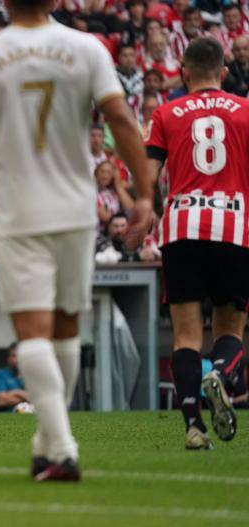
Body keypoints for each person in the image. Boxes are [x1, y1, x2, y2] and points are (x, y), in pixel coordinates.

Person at [0, 0, 153, 481]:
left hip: (21, 209)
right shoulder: (86, 47)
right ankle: (47, 445)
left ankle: (62, 447)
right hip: (76, 208)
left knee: (33, 331)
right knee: (65, 328)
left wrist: (0, 166)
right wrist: (145, 194)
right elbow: (122, 122)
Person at [145, 37, 249, 450]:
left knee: (185, 337)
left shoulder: (165, 113)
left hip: (181, 226)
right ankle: (220, 374)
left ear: (184, 72)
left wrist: (155, 211)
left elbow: (149, 179)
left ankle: (193, 426)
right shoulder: (245, 111)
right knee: (230, 328)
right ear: (223, 73)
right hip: (233, 226)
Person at [0, 343, 30, 411]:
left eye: (19, 356)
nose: (16, 360)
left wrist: (16, 392)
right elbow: (1, 401)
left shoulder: (31, 375)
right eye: (13, 356)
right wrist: (26, 396)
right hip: (8, 417)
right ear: (8, 358)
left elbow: (40, 399)